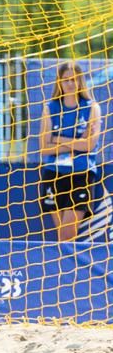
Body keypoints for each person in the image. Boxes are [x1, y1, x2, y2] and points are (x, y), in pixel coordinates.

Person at [39, 61, 102, 242]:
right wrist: (77, 142)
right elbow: (44, 147)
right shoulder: (50, 108)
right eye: (66, 80)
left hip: (81, 173)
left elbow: (89, 145)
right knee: (62, 236)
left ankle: (69, 270)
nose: (70, 84)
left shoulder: (91, 108)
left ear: (80, 81)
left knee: (68, 234)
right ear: (59, 82)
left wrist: (57, 139)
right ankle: (63, 270)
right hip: (55, 173)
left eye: (74, 79)